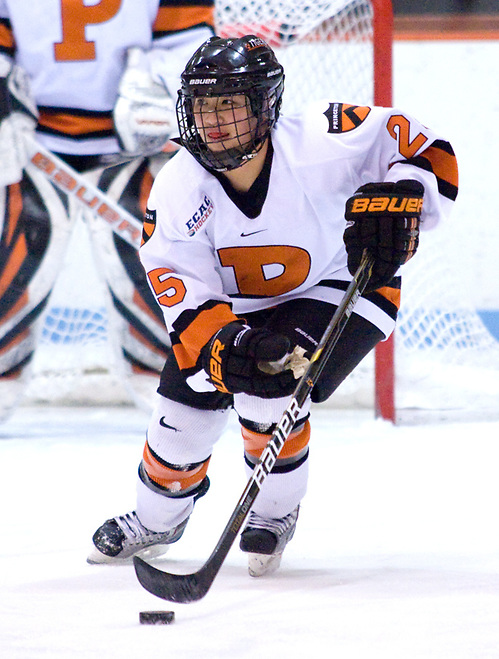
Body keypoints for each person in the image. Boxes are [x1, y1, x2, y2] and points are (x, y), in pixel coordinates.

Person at [88, 35, 458, 576]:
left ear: (266, 106)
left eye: (230, 104)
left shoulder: (322, 139)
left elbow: (422, 145)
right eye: (204, 105)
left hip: (340, 284)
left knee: (272, 392)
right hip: (235, 310)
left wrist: (405, 192)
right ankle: (157, 517)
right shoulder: (178, 188)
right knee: (179, 417)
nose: (214, 121)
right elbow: (183, 292)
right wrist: (225, 344)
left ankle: (274, 513)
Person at [0, 0, 215, 419]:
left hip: (136, 145)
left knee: (158, 269)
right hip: (28, 139)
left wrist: (162, 84)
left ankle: (163, 373)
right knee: (10, 266)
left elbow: (189, 40)